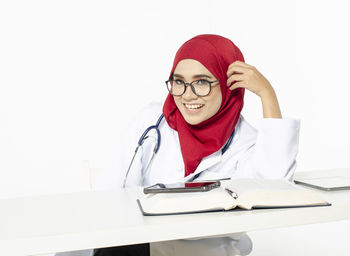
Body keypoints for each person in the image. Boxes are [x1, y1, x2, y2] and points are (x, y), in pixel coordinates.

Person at [57, 34, 300, 256]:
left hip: (207, 250)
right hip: (141, 243)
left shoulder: (245, 141)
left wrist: (267, 93)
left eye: (202, 82)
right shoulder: (152, 121)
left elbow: (275, 187)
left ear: (229, 85)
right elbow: (110, 189)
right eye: (179, 81)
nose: (187, 95)